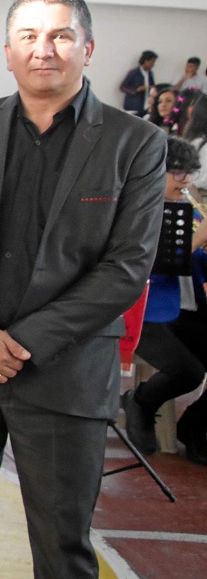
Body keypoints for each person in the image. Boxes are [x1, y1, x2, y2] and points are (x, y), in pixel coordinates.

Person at [0, 0, 166, 578]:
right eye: (28, 36)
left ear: (89, 47)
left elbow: (126, 267)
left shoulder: (137, 143)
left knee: (62, 550)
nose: (43, 49)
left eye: (60, 36)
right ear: (8, 51)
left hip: (64, 376)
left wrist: (19, 344)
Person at [120, 136, 207, 464]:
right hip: (146, 311)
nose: (185, 181)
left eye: (190, 173)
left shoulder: (191, 213)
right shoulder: (137, 211)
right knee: (190, 371)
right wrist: (200, 238)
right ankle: (141, 401)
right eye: (177, 172)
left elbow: (197, 266)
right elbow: (158, 261)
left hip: (186, 308)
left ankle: (195, 426)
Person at [119, 49, 157, 114]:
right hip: (134, 107)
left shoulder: (150, 73)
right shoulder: (134, 73)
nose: (153, 64)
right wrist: (136, 90)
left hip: (146, 107)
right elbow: (122, 87)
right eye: (152, 61)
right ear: (146, 61)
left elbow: (153, 86)